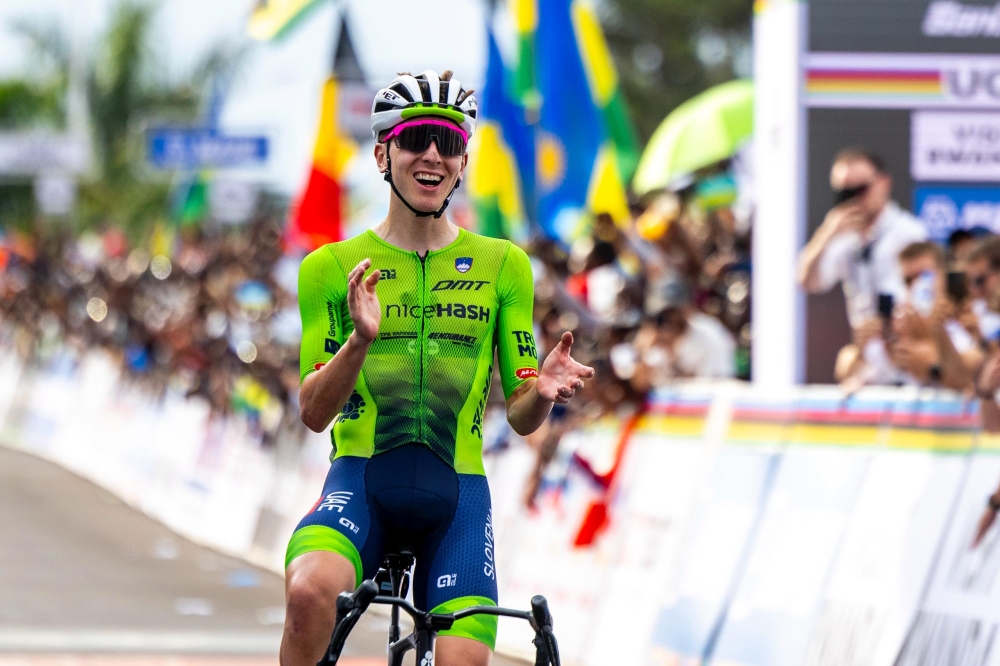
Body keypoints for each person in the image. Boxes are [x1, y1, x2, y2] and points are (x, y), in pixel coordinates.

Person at [280, 70, 595, 666]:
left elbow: (524, 418)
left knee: (460, 663)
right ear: (382, 153)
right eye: (416, 138)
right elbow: (314, 413)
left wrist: (544, 391)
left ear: (463, 160)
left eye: (448, 143)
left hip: (457, 496)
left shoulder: (503, 264)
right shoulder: (332, 266)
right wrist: (359, 342)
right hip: (361, 484)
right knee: (308, 593)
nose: (432, 156)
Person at [797, 148, 927, 334]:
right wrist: (826, 232)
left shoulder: (909, 232)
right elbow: (806, 281)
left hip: (903, 342)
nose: (854, 199)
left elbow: (925, 298)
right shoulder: (842, 236)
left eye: (861, 189)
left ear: (884, 183)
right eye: (845, 193)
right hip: (867, 347)